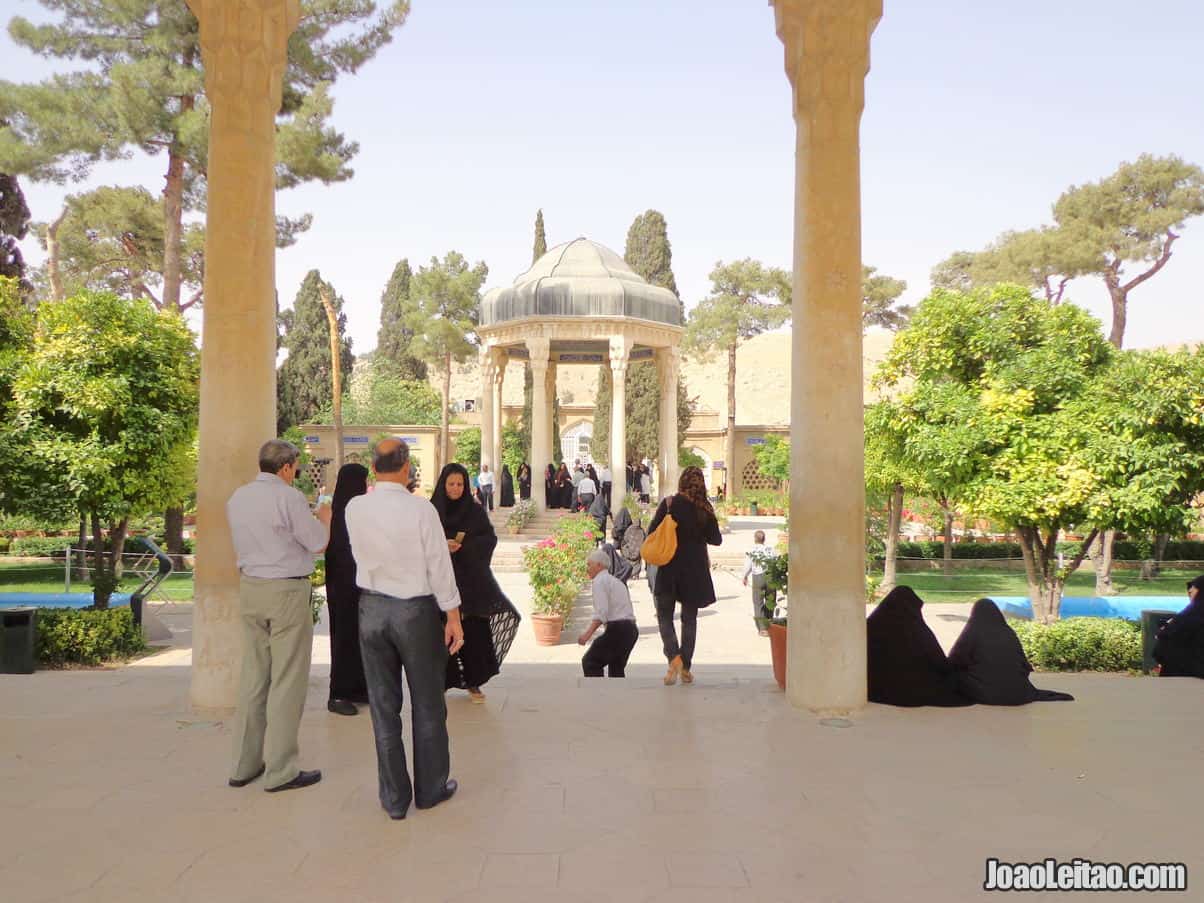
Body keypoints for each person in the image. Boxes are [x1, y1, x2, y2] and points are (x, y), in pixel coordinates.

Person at [344, 439, 463, 819]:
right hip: (414, 611)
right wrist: (453, 616)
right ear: (406, 466)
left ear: (372, 466)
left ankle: (394, 799)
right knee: (427, 703)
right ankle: (430, 789)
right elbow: (438, 566)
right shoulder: (420, 509)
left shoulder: (354, 508)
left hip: (372, 609)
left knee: (382, 706)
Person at [226, 439, 331, 792]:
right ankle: (281, 770)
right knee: (287, 679)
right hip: (285, 591)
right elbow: (317, 542)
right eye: (295, 467)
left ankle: (245, 764)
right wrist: (325, 518)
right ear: (287, 467)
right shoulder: (289, 497)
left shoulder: (238, 497)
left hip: (251, 588)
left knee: (254, 676)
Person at [430, 463, 521, 703]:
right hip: (440, 583)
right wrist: (443, 546)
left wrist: (466, 547)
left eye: (460, 484)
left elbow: (488, 539)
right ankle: (441, 682)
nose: (456, 488)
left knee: (474, 635)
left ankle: (474, 682)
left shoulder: (475, 512)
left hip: (471, 585)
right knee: (440, 634)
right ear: (443, 484)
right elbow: (421, 542)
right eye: (451, 484)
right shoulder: (431, 512)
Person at [647, 466, 722, 686]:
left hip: (670, 567)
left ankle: (674, 658)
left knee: (664, 616)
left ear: (681, 482)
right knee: (689, 620)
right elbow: (716, 539)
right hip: (695, 571)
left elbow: (652, 531)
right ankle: (685, 666)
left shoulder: (670, 504)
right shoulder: (704, 509)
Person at [948, 599, 1075, 703]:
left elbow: (955, 660)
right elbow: (1024, 665)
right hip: (1018, 693)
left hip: (986, 693)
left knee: (955, 677)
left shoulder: (973, 632)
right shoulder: (1008, 632)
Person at [866, 586, 972, 707]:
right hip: (916, 690)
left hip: (877, 688)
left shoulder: (870, 626)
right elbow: (938, 660)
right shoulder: (918, 630)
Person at [325, 463, 370, 716]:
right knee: (344, 638)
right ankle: (339, 694)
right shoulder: (336, 514)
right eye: (362, 483)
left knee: (360, 638)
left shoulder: (357, 512)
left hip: (359, 586)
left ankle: (358, 690)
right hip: (343, 589)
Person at [578, 548, 639, 677]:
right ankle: (616, 696)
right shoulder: (617, 582)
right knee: (616, 669)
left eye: (589, 565)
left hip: (619, 630)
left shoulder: (599, 581)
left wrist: (587, 635)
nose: (587, 568)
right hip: (630, 631)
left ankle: (599, 695)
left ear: (599, 565)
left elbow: (602, 613)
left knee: (590, 662)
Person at [1153, 576, 1204, 678]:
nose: (1189, 592)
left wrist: (1164, 630)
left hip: (1183, 677)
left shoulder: (1188, 616)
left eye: (1193, 590)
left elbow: (1163, 647)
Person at [743, 530, 773, 637]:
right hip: (771, 577)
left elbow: (748, 565)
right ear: (764, 539)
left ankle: (762, 628)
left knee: (758, 603)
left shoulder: (752, 550)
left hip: (758, 576)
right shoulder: (770, 549)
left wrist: (745, 576)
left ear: (755, 539)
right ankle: (770, 626)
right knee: (770, 601)